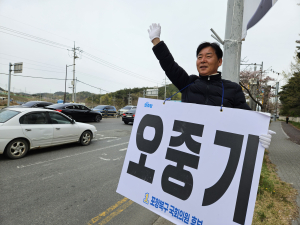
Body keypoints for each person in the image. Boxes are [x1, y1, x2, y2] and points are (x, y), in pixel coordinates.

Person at [148, 23, 275, 149]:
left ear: (219, 61)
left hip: (217, 152)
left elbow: (246, 119)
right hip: (188, 148)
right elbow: (169, 65)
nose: (203, 60)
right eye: (199, 57)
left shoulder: (233, 89)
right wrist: (156, 41)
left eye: (208, 56)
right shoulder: (188, 83)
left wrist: (259, 132)